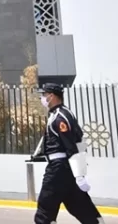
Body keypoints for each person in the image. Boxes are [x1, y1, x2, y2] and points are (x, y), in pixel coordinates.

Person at [31, 83, 103, 224]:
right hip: (67, 169)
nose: (42, 98)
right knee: (81, 207)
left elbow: (72, 146)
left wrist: (80, 175)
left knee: (45, 211)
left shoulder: (60, 117)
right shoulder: (64, 113)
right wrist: (78, 173)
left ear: (51, 96)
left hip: (58, 169)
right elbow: (80, 141)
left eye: (44, 95)